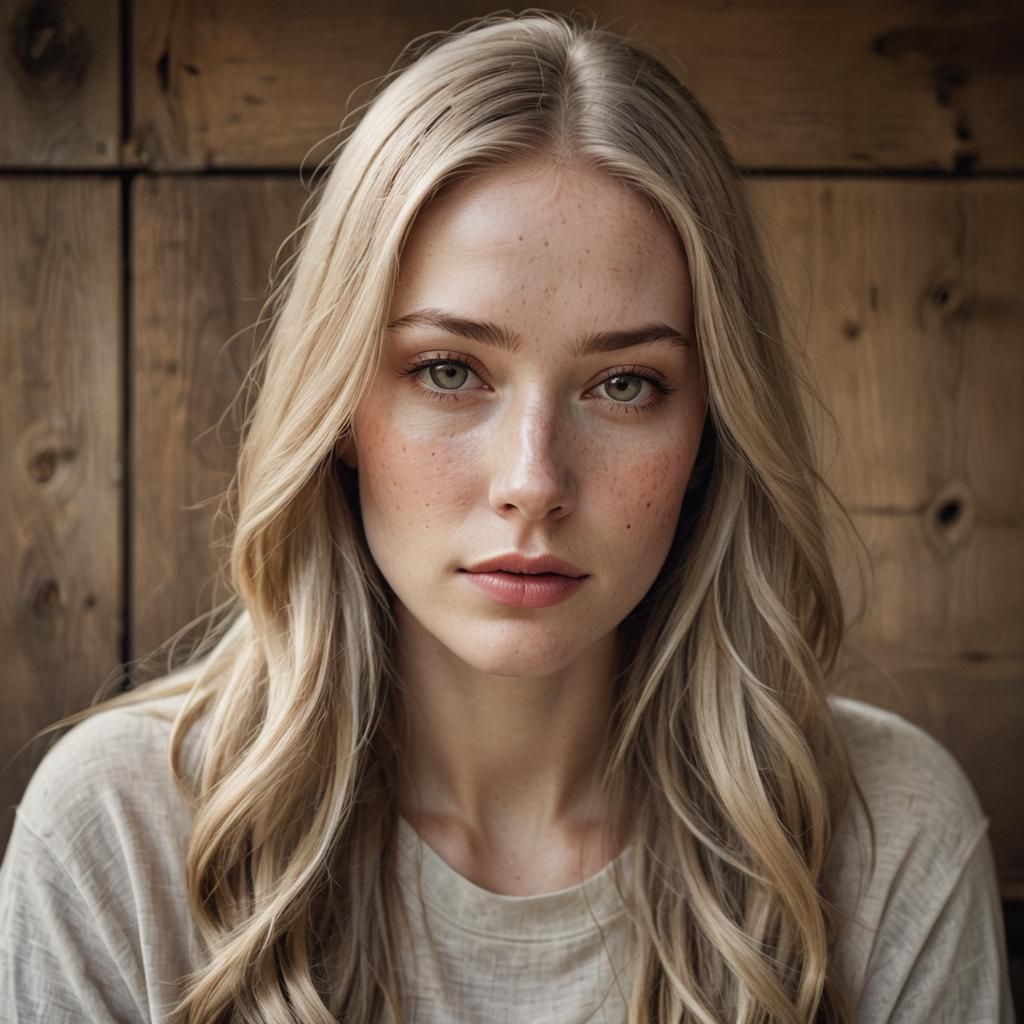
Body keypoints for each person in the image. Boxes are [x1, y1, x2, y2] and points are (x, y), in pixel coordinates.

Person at [0, 10, 1014, 1024]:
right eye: (448, 370)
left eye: (624, 384)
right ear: (341, 405)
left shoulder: (884, 840)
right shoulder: (119, 835)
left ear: (712, 425)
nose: (532, 480)